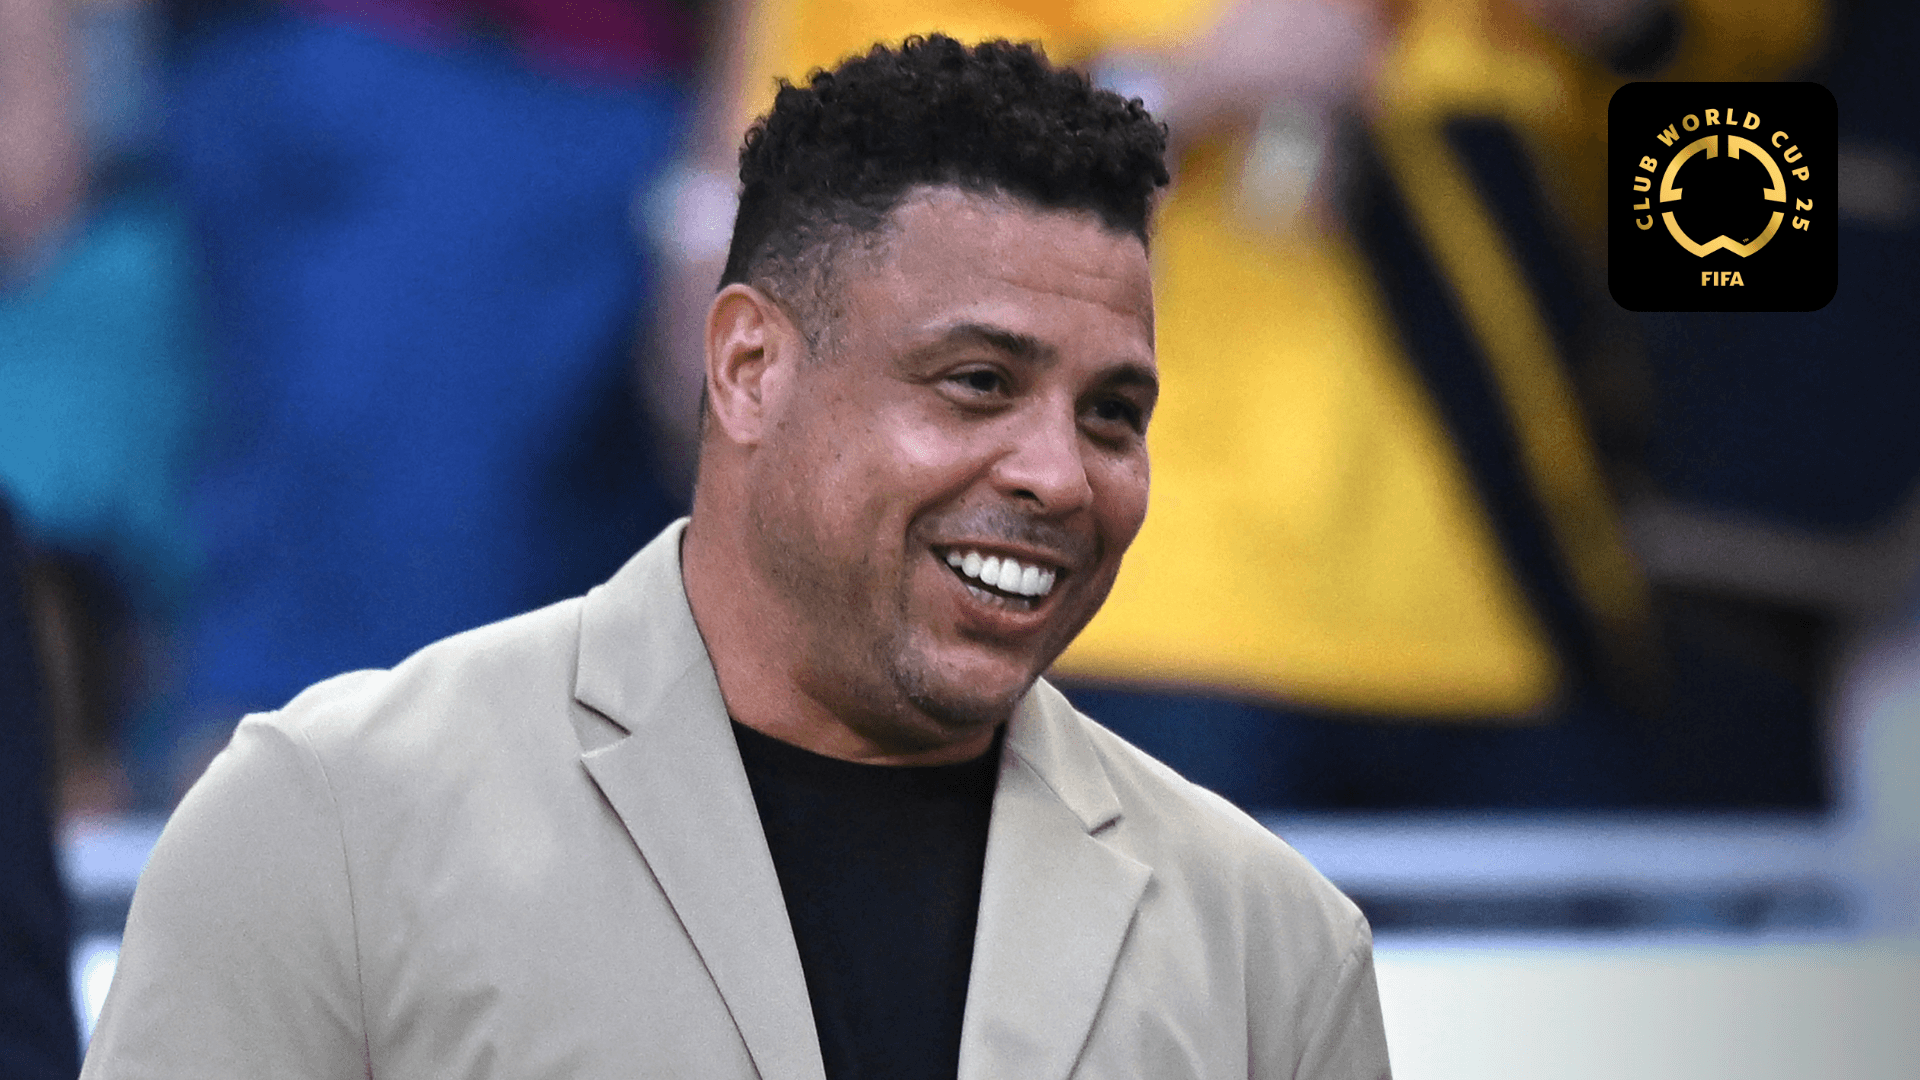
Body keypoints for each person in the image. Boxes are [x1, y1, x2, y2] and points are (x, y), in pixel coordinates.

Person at [82, 36, 1390, 1080]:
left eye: (1113, 414)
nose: (1059, 473)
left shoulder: (1271, 944)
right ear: (750, 368)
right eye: (980, 382)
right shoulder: (328, 823)